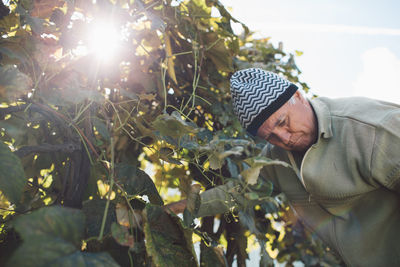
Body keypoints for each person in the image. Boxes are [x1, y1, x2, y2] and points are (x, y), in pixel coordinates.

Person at [166, 68, 400, 266]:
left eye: (282, 122)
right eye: (270, 136)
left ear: (298, 96)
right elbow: (237, 193)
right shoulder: (276, 158)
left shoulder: (373, 130)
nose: (284, 139)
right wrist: (178, 208)